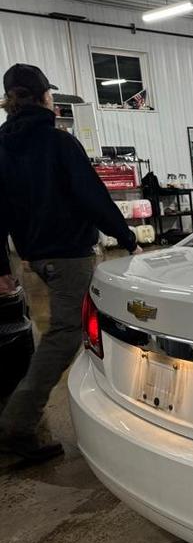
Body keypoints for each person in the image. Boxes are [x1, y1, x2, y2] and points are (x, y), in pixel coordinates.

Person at [0, 63, 141, 462]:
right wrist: (127, 237)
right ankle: (16, 424)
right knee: (64, 337)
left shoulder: (2, 145)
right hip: (69, 257)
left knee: (64, 332)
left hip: (33, 259)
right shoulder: (59, 143)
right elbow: (92, 196)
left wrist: (2, 268)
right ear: (47, 97)